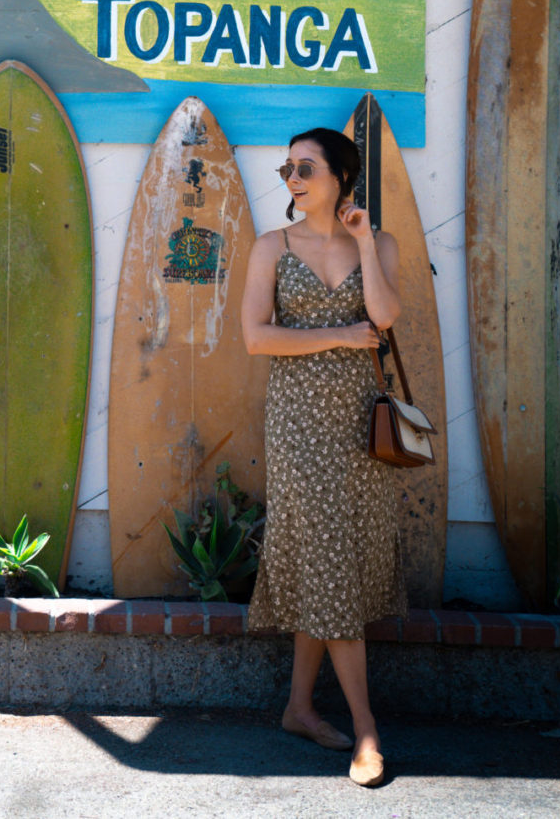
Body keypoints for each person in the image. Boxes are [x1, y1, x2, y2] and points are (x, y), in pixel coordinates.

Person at [241, 126, 406, 789]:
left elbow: (386, 317)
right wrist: (338, 334)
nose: (292, 179)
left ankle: (299, 707)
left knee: (328, 562)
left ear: (341, 176)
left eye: (305, 168)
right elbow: (256, 339)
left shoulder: (380, 243)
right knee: (331, 559)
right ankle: (366, 732)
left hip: (360, 430)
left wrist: (365, 241)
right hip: (298, 428)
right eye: (287, 169)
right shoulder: (270, 248)